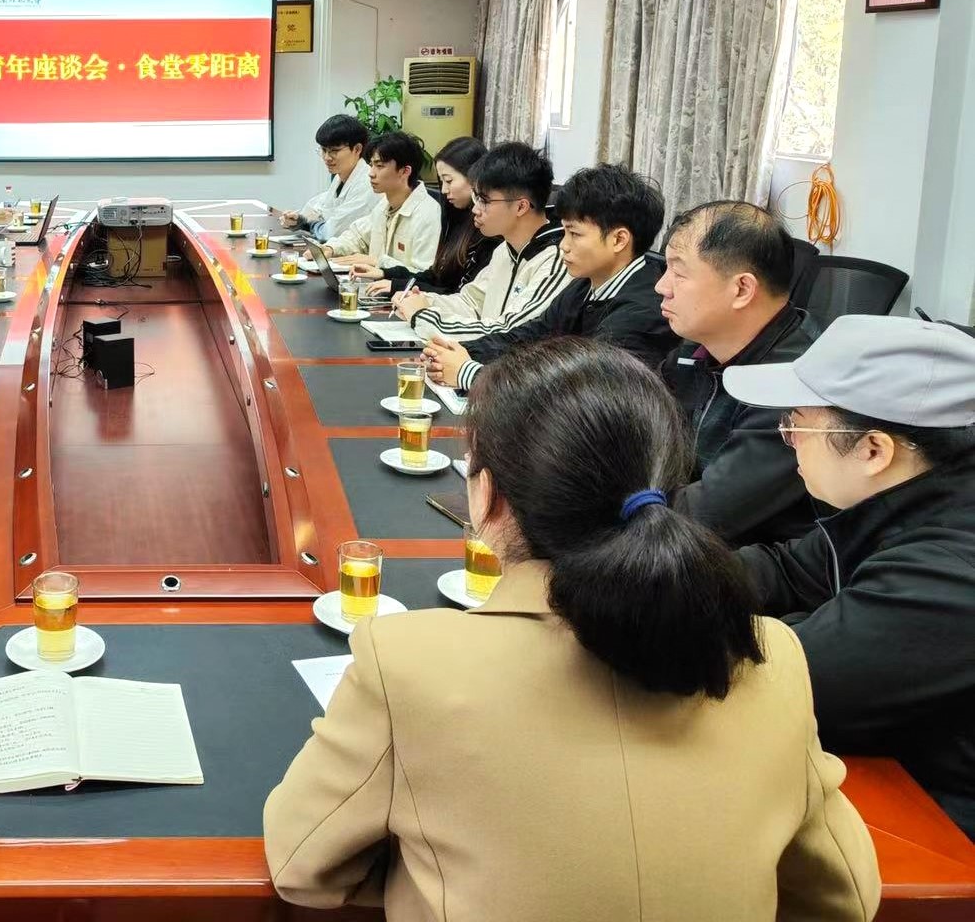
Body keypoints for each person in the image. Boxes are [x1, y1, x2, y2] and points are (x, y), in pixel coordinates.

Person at [264, 338, 879, 922]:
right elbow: (845, 895)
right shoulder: (770, 656)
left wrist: (435, 872)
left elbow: (302, 867)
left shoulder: (408, 663)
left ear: (488, 497)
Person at [727, 314, 975, 839]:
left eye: (796, 422)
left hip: (941, 821)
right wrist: (652, 575)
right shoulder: (897, 502)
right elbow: (786, 570)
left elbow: (778, 679)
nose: (787, 439)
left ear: (873, 450)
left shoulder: (948, 575)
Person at [424, 163, 674, 391]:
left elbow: (581, 395)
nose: (563, 246)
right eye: (564, 231)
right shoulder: (584, 286)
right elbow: (529, 337)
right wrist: (458, 352)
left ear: (619, 239)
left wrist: (469, 373)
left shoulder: (642, 311)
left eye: (574, 234)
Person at [656, 200, 818, 547]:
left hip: (757, 570)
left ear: (742, 289)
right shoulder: (695, 349)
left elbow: (706, 514)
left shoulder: (795, 385)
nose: (662, 287)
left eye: (679, 273)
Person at [392, 141, 569, 344]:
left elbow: (507, 331)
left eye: (484, 200)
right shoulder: (504, 250)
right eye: (476, 198)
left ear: (521, 207)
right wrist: (425, 301)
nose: (475, 209)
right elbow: (471, 302)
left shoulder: (555, 260)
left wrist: (422, 316)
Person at [368, 134, 497, 299]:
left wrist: (397, 285)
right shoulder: (455, 219)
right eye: (441, 181)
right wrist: (385, 274)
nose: (443, 190)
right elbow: (437, 276)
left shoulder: (488, 231)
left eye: (449, 181)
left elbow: (460, 296)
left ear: (475, 179)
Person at [319, 132, 442, 281]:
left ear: (405, 171)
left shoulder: (427, 214)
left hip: (402, 299)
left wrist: (377, 262)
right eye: (371, 165)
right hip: (375, 290)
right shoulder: (384, 203)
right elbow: (358, 236)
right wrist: (330, 249)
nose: (371, 173)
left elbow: (425, 274)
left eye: (379, 166)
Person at [278, 114, 378, 243]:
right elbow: (318, 208)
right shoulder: (340, 178)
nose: (327, 157)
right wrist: (298, 219)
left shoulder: (367, 183)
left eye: (334, 151)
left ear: (357, 149)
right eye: (324, 150)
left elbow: (333, 232)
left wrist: (307, 224)